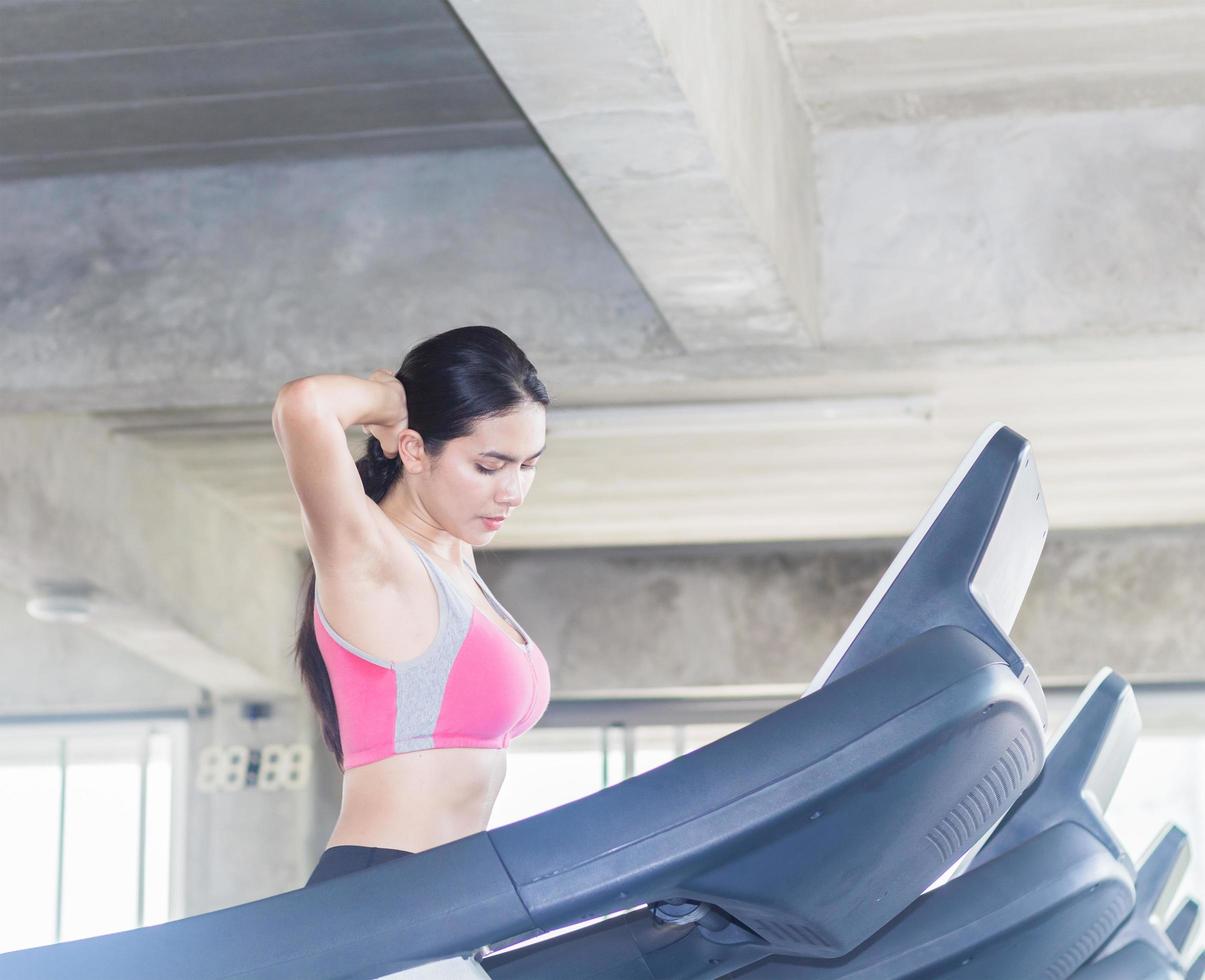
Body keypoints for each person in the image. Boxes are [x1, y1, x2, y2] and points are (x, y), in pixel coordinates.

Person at [271, 325, 551, 888]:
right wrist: (388, 401)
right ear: (416, 449)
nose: (513, 492)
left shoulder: (457, 560)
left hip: (446, 899)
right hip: (387, 889)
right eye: (489, 466)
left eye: (527, 465)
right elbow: (305, 404)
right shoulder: (373, 557)